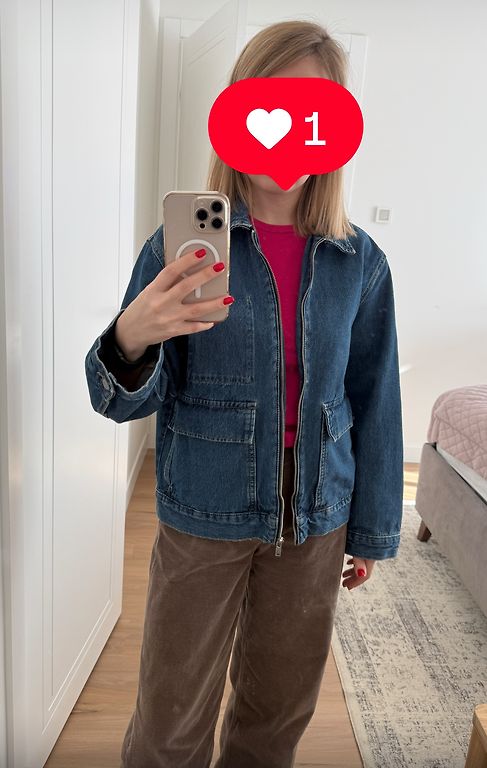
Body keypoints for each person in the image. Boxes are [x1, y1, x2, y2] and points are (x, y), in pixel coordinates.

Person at [84, 18, 403, 768]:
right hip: (205, 511)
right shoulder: (180, 249)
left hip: (317, 520)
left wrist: (369, 529)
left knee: (277, 714)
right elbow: (122, 401)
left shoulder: (358, 261)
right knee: (171, 721)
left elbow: (374, 397)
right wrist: (131, 337)